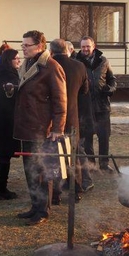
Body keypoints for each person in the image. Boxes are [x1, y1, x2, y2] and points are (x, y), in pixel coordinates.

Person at [14, 30, 67, 226]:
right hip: (27, 126)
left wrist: (58, 128)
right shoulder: (28, 64)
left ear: (40, 46)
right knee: (30, 169)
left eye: (27, 45)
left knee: (42, 170)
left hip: (42, 128)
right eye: (23, 44)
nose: (23, 48)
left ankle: (43, 211)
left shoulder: (51, 67)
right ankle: (35, 206)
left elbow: (60, 100)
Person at [49, 38, 89, 204]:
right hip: (72, 117)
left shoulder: (47, 66)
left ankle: (56, 193)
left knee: (54, 157)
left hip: (52, 119)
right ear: (67, 50)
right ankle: (75, 190)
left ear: (51, 52)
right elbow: (85, 90)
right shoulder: (79, 66)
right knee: (72, 156)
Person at [75, 36, 117, 172]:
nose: (85, 49)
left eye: (88, 46)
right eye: (83, 47)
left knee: (104, 136)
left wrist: (110, 89)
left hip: (102, 105)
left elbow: (112, 79)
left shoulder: (103, 61)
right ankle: (91, 164)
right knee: (87, 137)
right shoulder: (76, 62)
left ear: (94, 46)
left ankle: (104, 163)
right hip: (85, 106)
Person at [0, 48, 22, 200]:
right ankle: (0, 189)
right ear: (9, 60)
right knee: (4, 155)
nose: (19, 61)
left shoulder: (1, 73)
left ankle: (1, 187)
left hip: (4, 120)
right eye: (16, 58)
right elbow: (7, 96)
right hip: (5, 121)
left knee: (4, 155)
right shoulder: (5, 75)